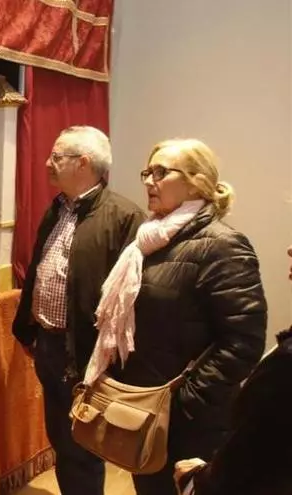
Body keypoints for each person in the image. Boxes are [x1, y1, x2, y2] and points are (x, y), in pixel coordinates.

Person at [84, 138, 267, 495]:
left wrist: (183, 403)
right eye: (147, 172)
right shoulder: (148, 241)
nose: (149, 181)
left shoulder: (223, 245)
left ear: (197, 183)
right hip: (142, 413)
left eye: (161, 172)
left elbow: (243, 342)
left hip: (188, 425)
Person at [12, 126, 146, 495]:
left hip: (88, 354)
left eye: (57, 157)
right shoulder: (57, 208)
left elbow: (133, 298)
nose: (47, 163)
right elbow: (39, 269)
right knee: (62, 438)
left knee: (83, 445)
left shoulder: (124, 217)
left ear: (83, 163)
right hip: (49, 346)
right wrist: (29, 329)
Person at [172, 245, 292, 495]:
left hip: (189, 420)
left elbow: (242, 343)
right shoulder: (142, 246)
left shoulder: (225, 247)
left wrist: (197, 481)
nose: (289, 249)